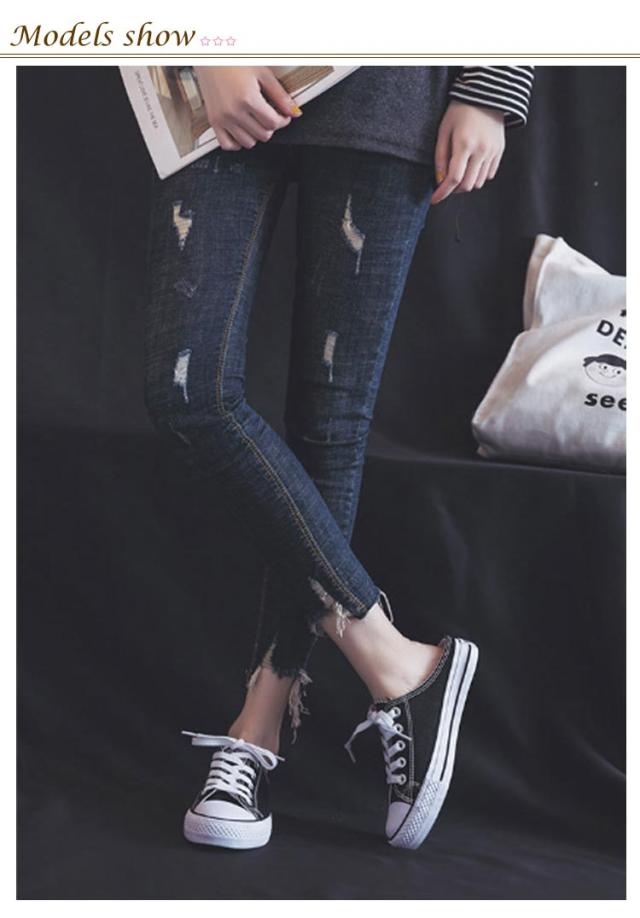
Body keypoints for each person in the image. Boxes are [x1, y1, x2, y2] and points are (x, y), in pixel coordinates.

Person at [143, 65, 534, 851]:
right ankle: (397, 662)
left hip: (386, 81)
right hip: (219, 72)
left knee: (330, 427)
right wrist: (202, 45)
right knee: (188, 392)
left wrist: (492, 84)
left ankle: (258, 728)